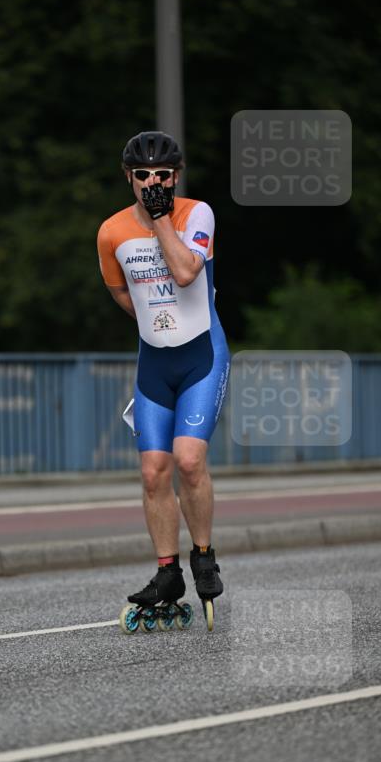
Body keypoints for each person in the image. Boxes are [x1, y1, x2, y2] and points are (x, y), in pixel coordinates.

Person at [97, 130, 230, 616]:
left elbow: (185, 273)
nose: (153, 182)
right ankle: (167, 572)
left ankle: (203, 557)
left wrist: (159, 220)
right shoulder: (110, 231)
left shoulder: (196, 213)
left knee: (189, 460)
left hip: (202, 356)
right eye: (143, 175)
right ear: (127, 177)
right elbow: (119, 292)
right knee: (154, 472)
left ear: (176, 176)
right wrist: (156, 324)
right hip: (155, 359)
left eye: (163, 174)